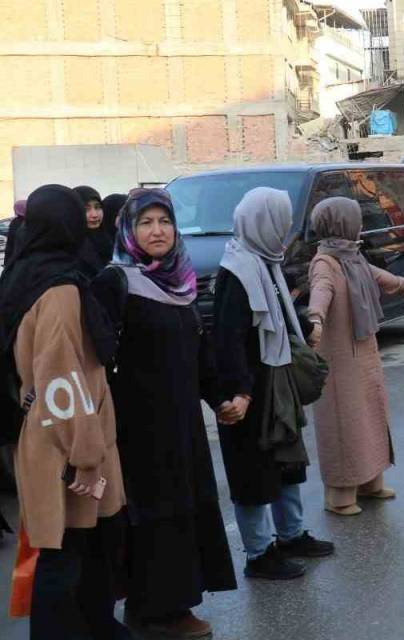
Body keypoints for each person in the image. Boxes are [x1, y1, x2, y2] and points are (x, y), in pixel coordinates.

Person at [91, 188, 237, 637]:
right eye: (146, 223)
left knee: (187, 508)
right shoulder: (115, 283)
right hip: (138, 427)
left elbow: (197, 350)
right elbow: (96, 356)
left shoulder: (181, 281)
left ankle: (177, 603)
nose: (157, 231)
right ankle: (152, 611)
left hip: (183, 425)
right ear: (129, 231)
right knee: (154, 515)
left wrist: (221, 396)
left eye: (165, 222)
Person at [0, 184, 128, 639]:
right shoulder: (59, 289)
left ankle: (97, 628)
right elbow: (60, 377)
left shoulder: (23, 274)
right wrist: (87, 456)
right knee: (63, 557)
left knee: (79, 551)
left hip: (46, 433)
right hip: (67, 443)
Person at [213, 187, 334, 581]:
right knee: (254, 469)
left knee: (287, 460)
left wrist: (303, 324)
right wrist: (240, 392)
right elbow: (229, 340)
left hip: (275, 379)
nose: (284, 231)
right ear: (260, 223)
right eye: (279, 223)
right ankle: (259, 553)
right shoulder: (237, 272)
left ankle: (290, 534)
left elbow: (278, 314)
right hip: (251, 389)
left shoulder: (266, 262)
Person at [305, 197, 404, 515]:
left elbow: (378, 277)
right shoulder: (326, 262)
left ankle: (371, 480)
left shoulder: (352, 256)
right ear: (340, 223)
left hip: (364, 350)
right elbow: (321, 290)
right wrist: (316, 318)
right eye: (354, 219)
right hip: (340, 357)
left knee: (371, 414)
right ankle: (340, 494)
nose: (360, 224)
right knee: (344, 422)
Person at [72, 186, 111, 276]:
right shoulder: (69, 246)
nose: (94, 215)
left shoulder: (108, 240)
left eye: (97, 207)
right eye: (86, 209)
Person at [4, 199, 26, 267]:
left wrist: (6, 262)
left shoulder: (14, 223)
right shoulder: (36, 221)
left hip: (17, 259)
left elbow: (10, 244)